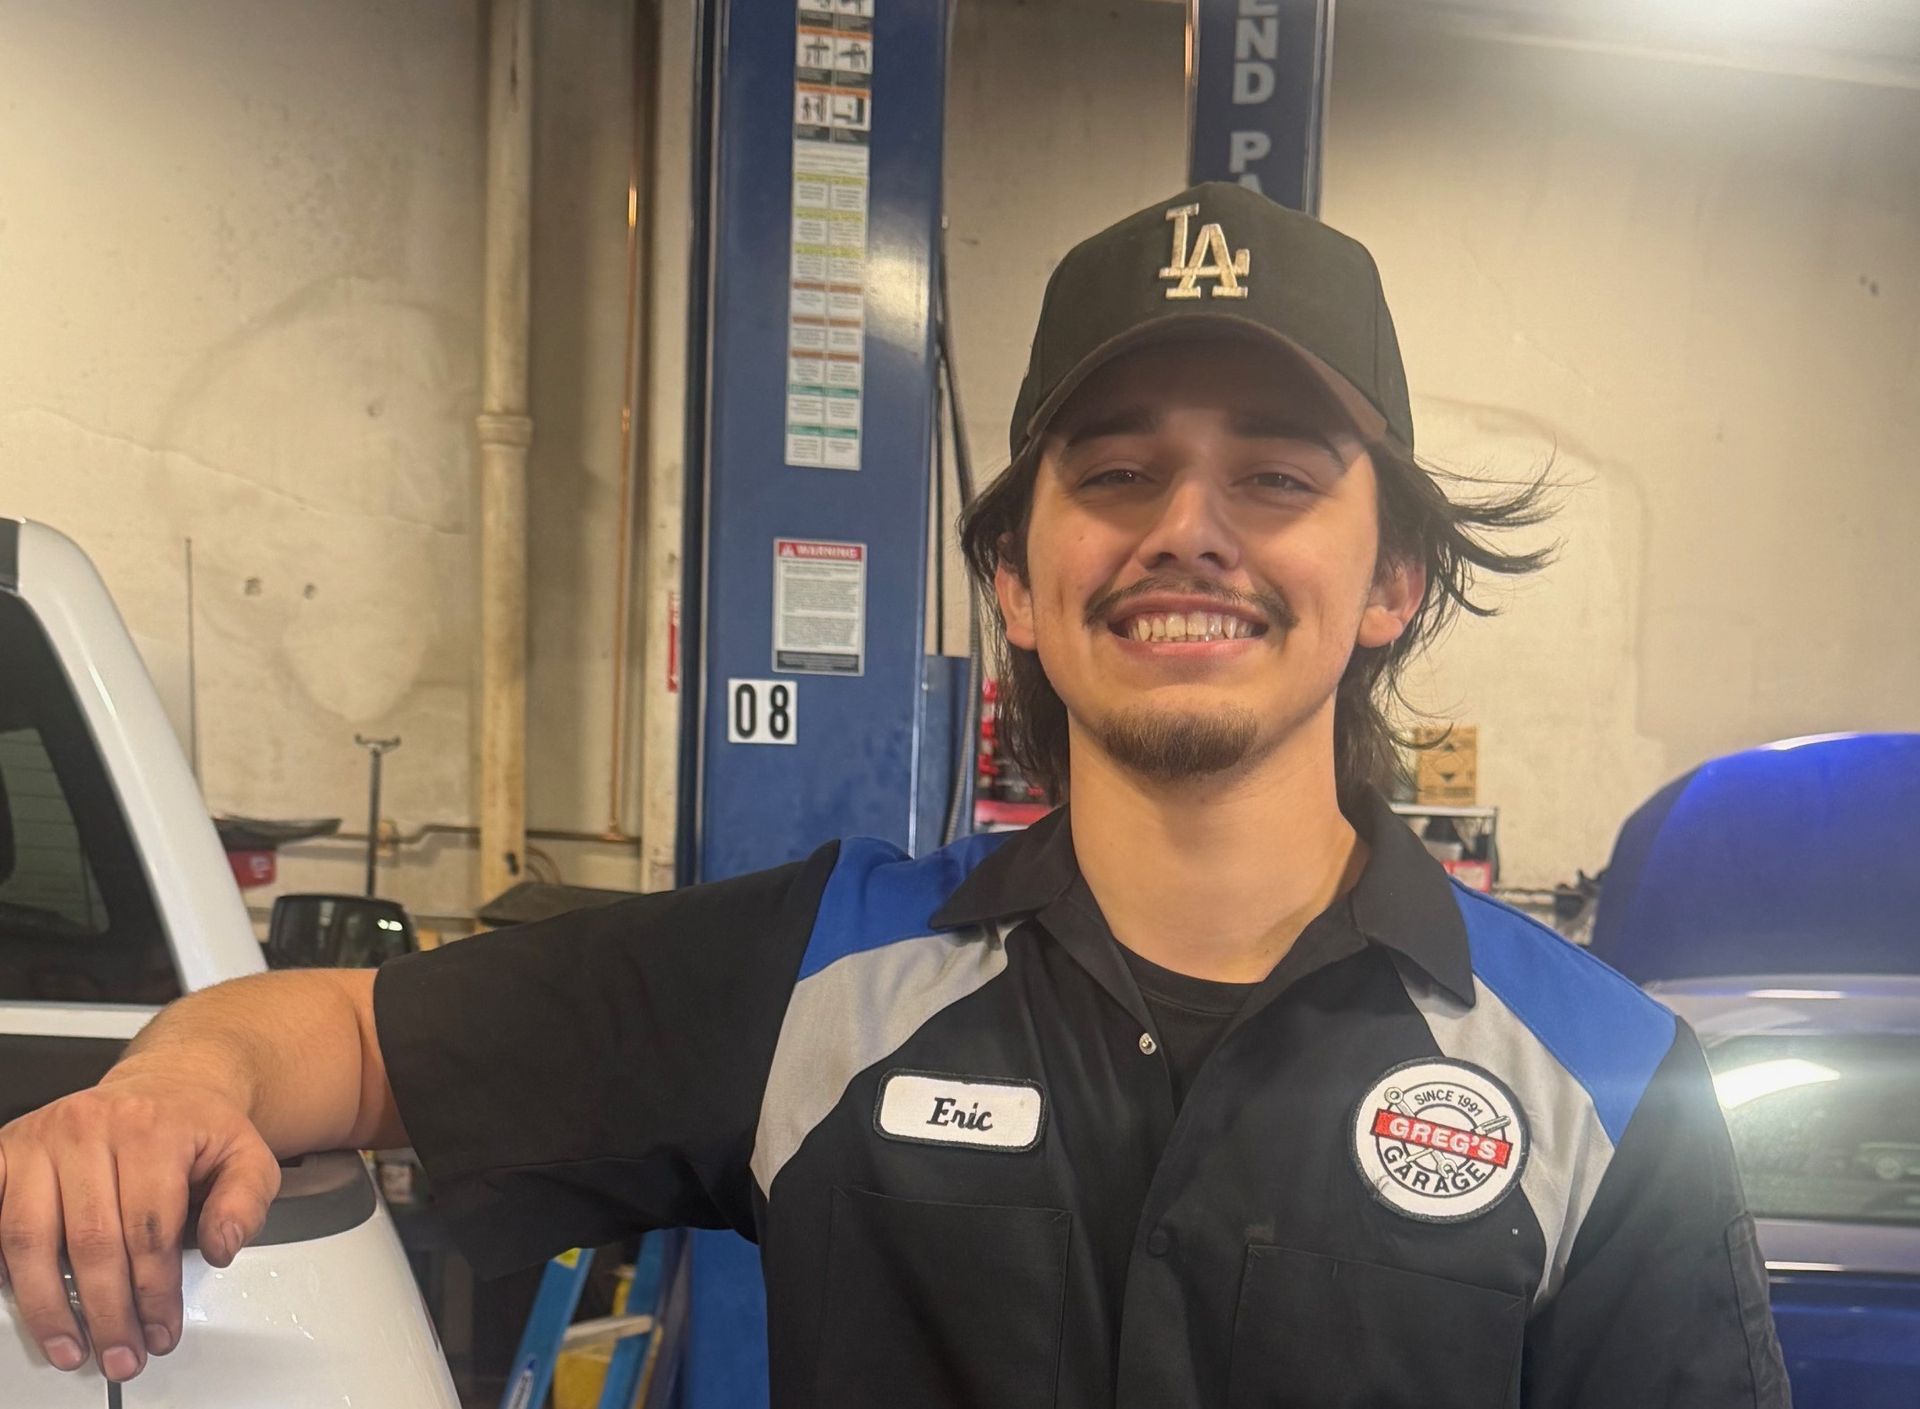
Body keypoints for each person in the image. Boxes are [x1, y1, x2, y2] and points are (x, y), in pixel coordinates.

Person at [0, 182, 1789, 1407]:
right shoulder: (821, 981)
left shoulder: (1611, 1093)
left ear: (1391, 576)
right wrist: (165, 1087)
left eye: (1276, 475)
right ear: (1017, 577)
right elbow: (336, 1033)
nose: (1190, 528)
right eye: (1117, 472)